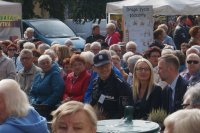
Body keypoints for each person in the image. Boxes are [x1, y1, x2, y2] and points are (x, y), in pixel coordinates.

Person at [90, 53, 133, 119]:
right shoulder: (95, 82)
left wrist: (106, 120)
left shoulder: (121, 85)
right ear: (94, 68)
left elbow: (124, 111)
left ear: (111, 64)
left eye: (106, 66)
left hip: (115, 124)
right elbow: (93, 102)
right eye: (100, 67)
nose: (104, 69)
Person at [30, 55, 65, 120]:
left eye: (47, 62)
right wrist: (33, 101)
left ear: (51, 63)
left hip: (49, 107)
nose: (46, 64)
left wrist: (45, 104)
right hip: (37, 106)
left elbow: (57, 92)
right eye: (43, 63)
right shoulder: (38, 76)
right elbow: (32, 92)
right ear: (39, 65)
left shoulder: (55, 74)